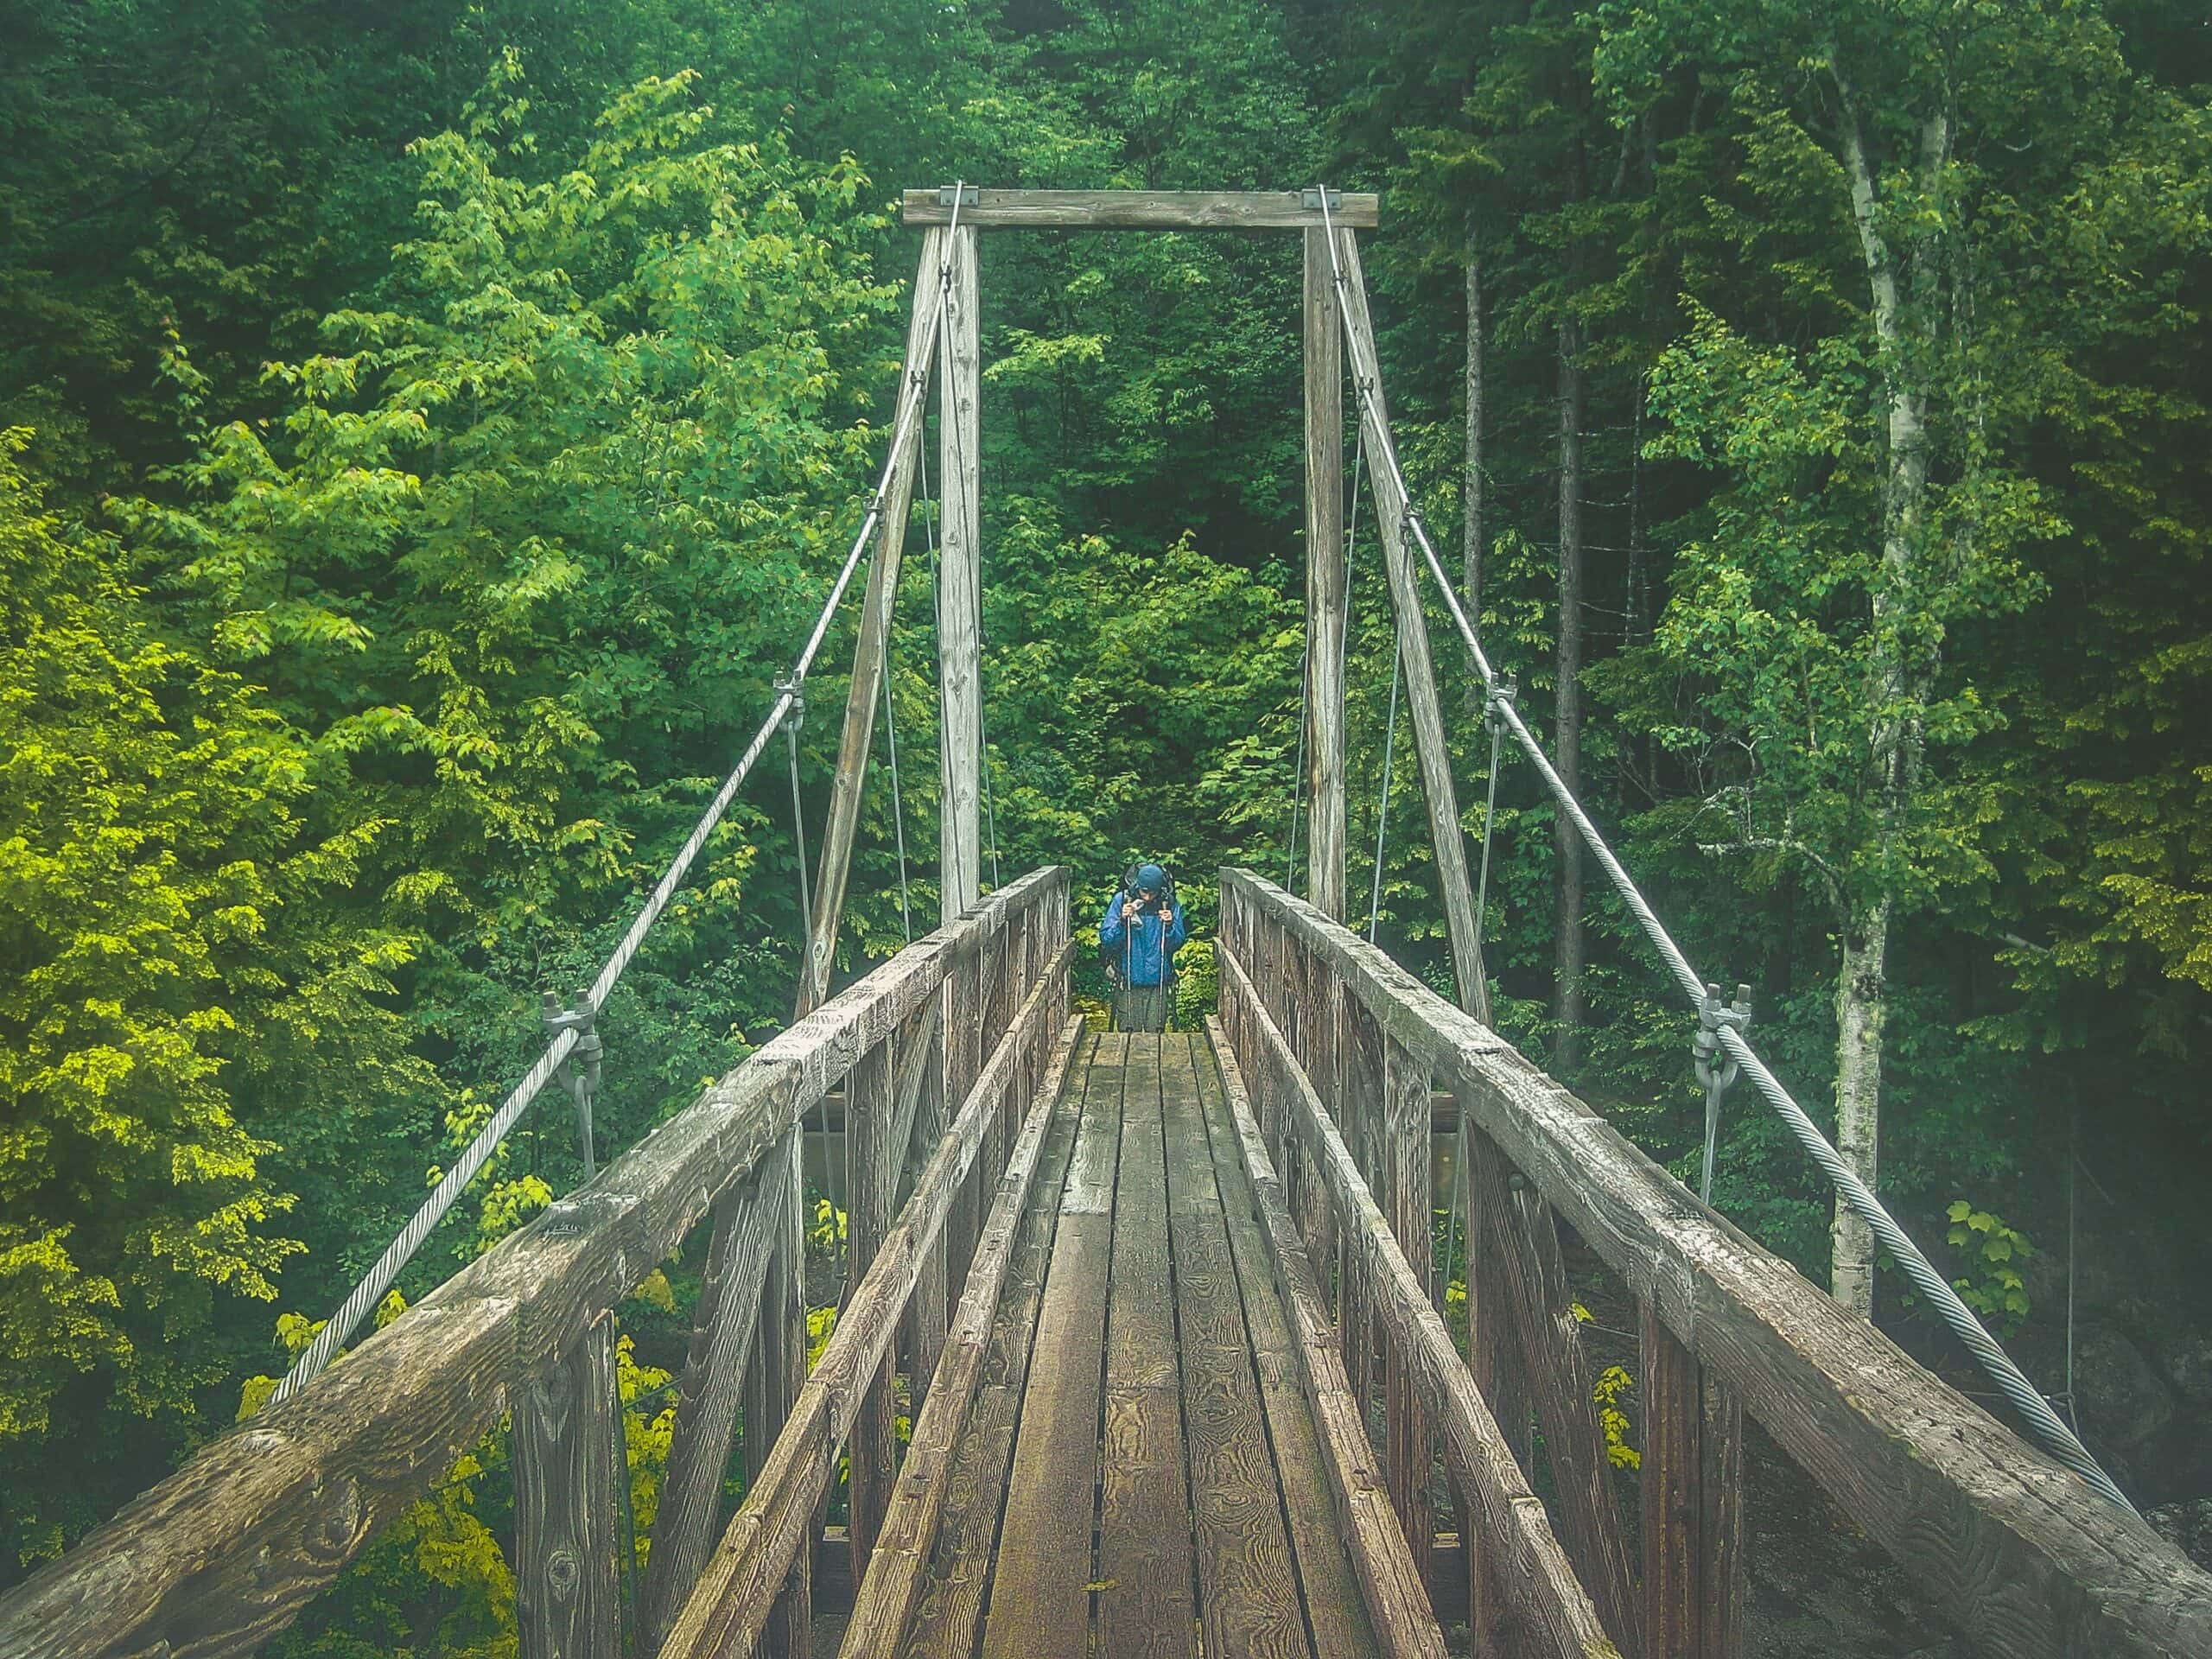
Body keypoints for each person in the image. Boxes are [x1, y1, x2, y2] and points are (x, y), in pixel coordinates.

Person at [1100, 863, 1186, 1033]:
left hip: (1158, 982)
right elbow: (1108, 941)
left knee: (1156, 1036)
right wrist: (1122, 922)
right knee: (1127, 1035)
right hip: (1128, 980)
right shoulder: (1122, 900)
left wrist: (1169, 925)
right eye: (1144, 892)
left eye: (1152, 893)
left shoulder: (1168, 903)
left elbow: (1177, 943)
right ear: (1137, 886)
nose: (1147, 898)